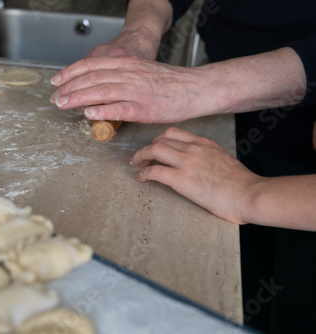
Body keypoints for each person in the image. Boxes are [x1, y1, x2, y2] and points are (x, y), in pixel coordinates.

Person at [50, 0, 316, 333]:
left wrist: (251, 194)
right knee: (240, 294)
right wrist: (139, 35)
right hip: (228, 117)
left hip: (300, 185)